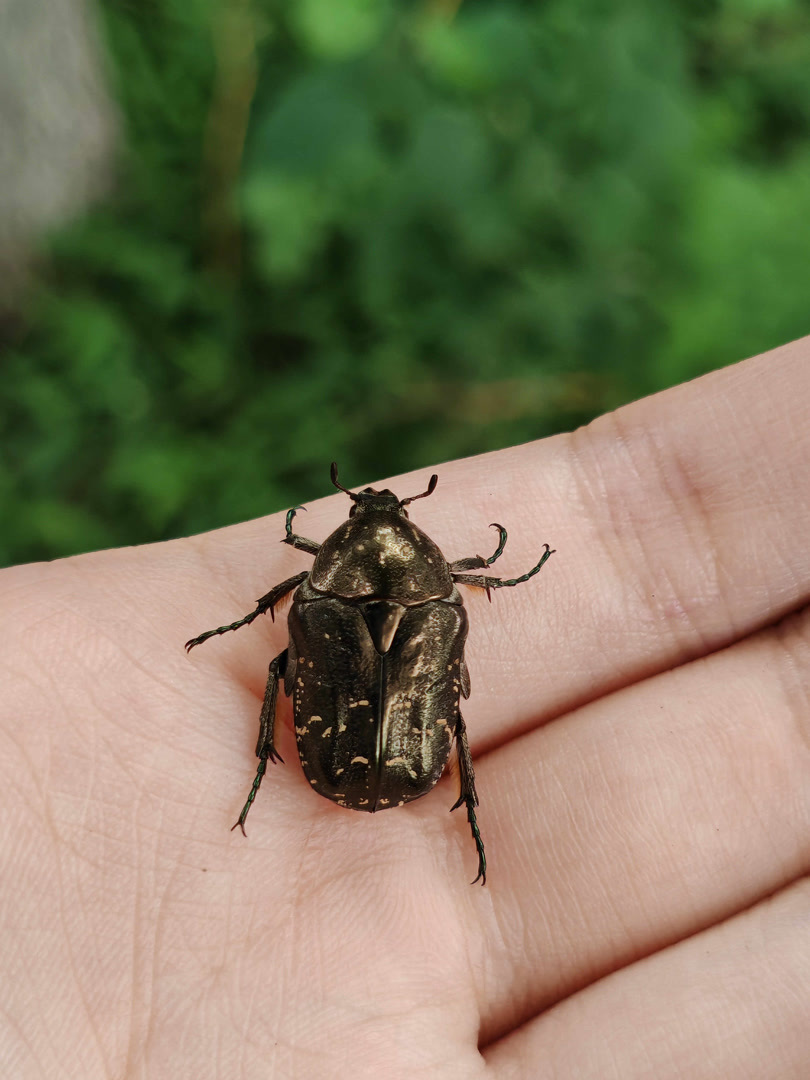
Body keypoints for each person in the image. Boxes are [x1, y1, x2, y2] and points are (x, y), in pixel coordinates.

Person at [2, 335, 808, 1078]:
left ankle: (345, 789)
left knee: (289, 663)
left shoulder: (321, 593)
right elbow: (390, 585)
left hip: (339, 758)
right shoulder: (437, 599)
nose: (381, 514)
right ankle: (459, 811)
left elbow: (294, 577)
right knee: (437, 712)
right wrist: (486, 572)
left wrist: (264, 605)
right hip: (410, 759)